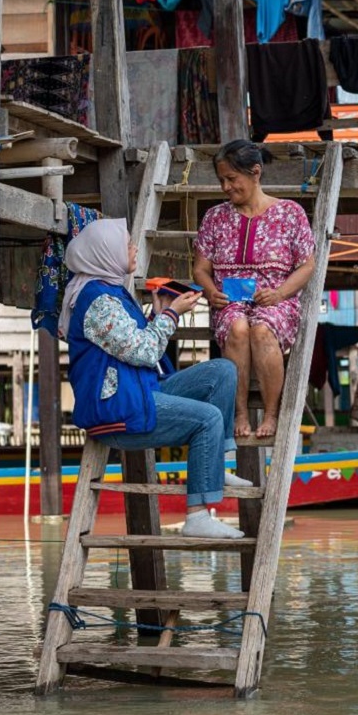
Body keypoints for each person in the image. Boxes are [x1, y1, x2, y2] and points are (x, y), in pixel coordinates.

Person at [60, 218, 247, 539]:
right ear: (106, 253)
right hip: (118, 411)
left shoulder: (111, 289)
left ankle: (214, 464)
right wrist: (171, 315)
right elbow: (144, 351)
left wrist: (157, 315)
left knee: (223, 371)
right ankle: (197, 515)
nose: (133, 248)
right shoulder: (98, 301)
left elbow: (126, 341)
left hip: (137, 391)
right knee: (208, 418)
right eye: (126, 244)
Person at [194, 140, 316, 439]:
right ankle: (239, 411)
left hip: (276, 299)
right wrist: (211, 292)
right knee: (237, 328)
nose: (225, 186)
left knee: (262, 329)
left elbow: (307, 266)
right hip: (230, 301)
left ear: (255, 173)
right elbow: (200, 269)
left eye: (232, 179)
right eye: (221, 179)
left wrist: (279, 294)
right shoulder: (215, 217)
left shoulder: (290, 213)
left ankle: (272, 413)